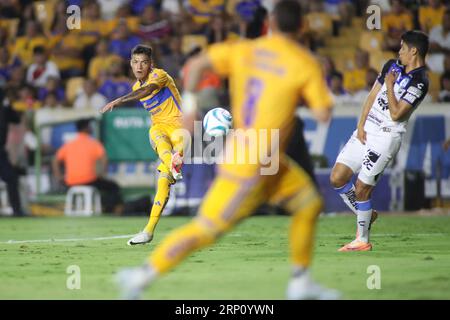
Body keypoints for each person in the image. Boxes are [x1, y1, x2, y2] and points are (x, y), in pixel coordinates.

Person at [115, 0, 340, 300]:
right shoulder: (304, 62)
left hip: (266, 158)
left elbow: (196, 65)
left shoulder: (244, 49)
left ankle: (300, 282)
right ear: (302, 27)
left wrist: (191, 106)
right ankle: (140, 277)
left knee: (309, 203)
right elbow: (324, 113)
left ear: (270, 24)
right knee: (207, 229)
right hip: (251, 162)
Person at [330, 30, 429, 252]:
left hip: (386, 136)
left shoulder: (420, 82)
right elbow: (372, 95)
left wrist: (391, 86)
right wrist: (361, 124)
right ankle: (366, 213)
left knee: (362, 189)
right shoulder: (390, 66)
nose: (399, 51)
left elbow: (397, 114)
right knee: (337, 177)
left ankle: (362, 239)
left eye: (403, 48)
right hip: (366, 131)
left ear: (414, 51)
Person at [100, 44, 184, 245]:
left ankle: (172, 161)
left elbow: (149, 90)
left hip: (180, 130)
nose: (139, 66)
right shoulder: (135, 87)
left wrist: (119, 100)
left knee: (164, 179)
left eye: (144, 62)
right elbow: (142, 91)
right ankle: (148, 232)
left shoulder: (159, 76)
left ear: (150, 64)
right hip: (161, 130)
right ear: (130, 64)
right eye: (136, 62)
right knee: (154, 134)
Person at [52, 119, 123, 214]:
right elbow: (104, 159)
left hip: (70, 183)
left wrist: (59, 176)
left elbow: (55, 160)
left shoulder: (69, 144)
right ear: (86, 128)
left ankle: (105, 208)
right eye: (89, 126)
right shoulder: (93, 143)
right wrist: (102, 174)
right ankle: (108, 210)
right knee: (113, 187)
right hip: (89, 181)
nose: (91, 128)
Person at [0, 88, 25, 216]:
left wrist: (8, 106)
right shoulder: (4, 109)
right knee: (11, 178)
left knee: (11, 178)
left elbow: (16, 119)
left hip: (1, 152)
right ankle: (17, 210)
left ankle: (17, 211)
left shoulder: (5, 110)